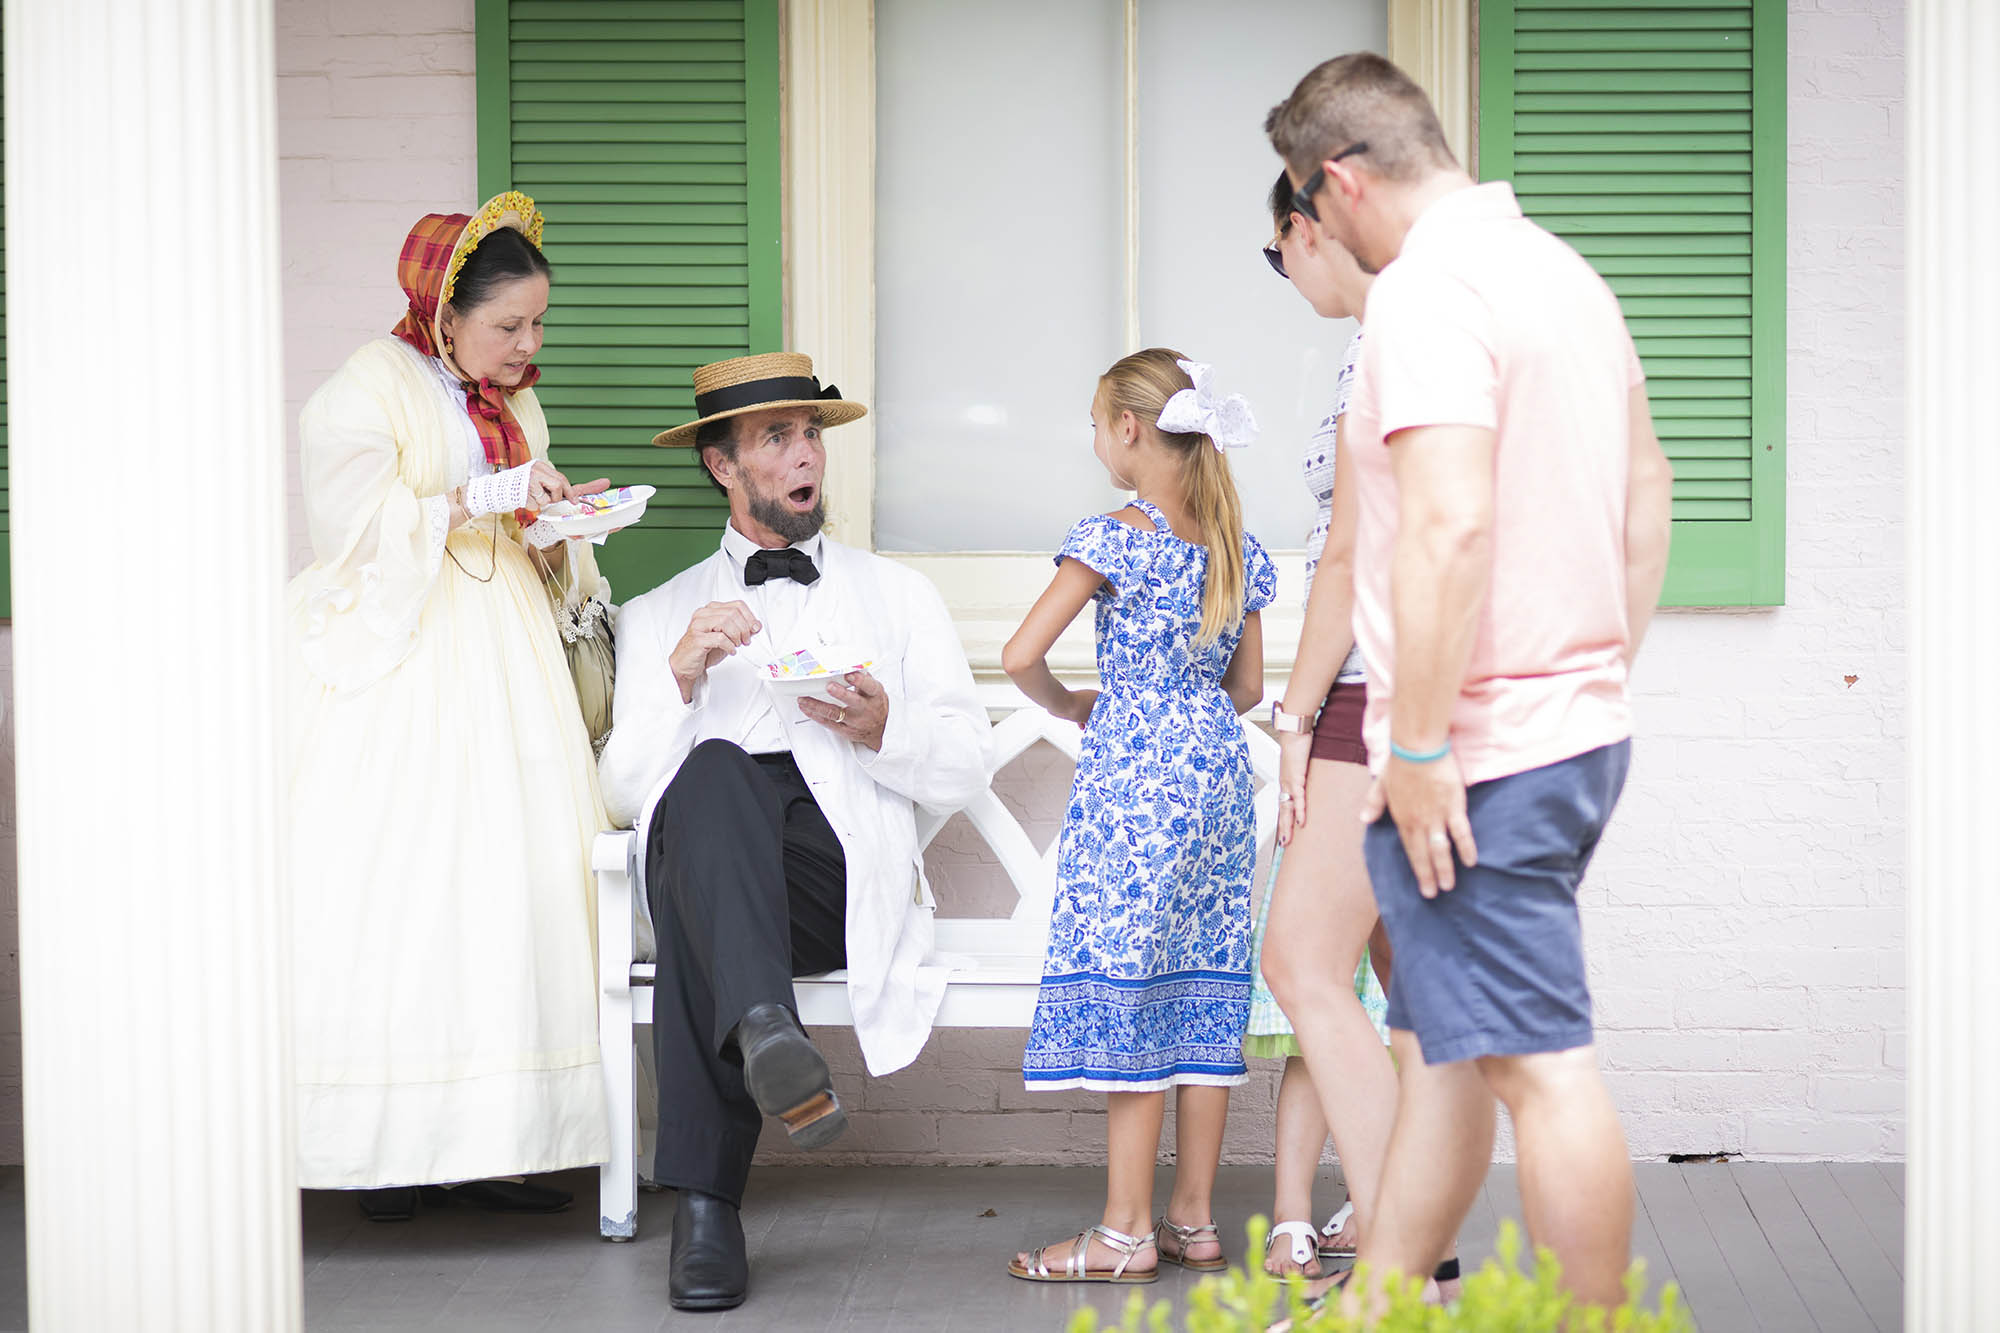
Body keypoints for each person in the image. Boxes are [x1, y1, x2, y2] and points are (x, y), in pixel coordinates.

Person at [1266, 53, 1674, 1316]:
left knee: (1540, 1068)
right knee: (1442, 1051)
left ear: (1339, 180)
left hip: (1479, 752)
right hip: (1567, 730)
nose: (1313, 233)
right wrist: (1591, 675)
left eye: (1304, 205)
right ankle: (1383, 1300)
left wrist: (1423, 745)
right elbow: (1646, 495)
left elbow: (1443, 525)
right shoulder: (1561, 274)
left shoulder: (1425, 292)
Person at [598, 352, 988, 1312]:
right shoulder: (657, 617)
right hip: (708, 847)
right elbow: (622, 793)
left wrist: (886, 728)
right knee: (714, 776)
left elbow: (965, 763)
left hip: (831, 868)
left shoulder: (899, 597)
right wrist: (680, 680)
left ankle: (707, 1201)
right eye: (777, 437)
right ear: (723, 465)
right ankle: (767, 1029)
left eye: (811, 433)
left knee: (706, 911)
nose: (806, 452)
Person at [287, 193, 613, 1219]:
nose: (528, 345)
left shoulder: (512, 404)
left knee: (508, 879)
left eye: (538, 323)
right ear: (445, 311)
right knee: (407, 879)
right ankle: (391, 1149)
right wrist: (477, 497)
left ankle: (495, 1141)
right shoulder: (364, 389)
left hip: (504, 649)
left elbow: (517, 528)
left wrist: (556, 521)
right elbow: (347, 530)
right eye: (508, 325)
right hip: (406, 659)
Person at [1002, 349, 1276, 1286]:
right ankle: (1193, 1219)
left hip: (1136, 785)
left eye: (1095, 422)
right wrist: (1189, 716)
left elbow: (1021, 653)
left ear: (1128, 426)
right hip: (1217, 779)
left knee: (1134, 983)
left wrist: (1073, 703)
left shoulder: (1114, 536)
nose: (1095, 440)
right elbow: (1247, 687)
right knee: (1201, 981)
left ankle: (1123, 1231)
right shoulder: (1233, 543)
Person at [1244, 168, 1393, 1282]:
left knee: (1300, 962)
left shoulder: (1383, 344)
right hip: (1445, 683)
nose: (1285, 273)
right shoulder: (1450, 331)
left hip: (1376, 682)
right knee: (1418, 994)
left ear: (1306, 228)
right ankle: (1414, 1263)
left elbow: (1348, 552)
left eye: (1275, 252)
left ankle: (1400, 1266)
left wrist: (1295, 716)